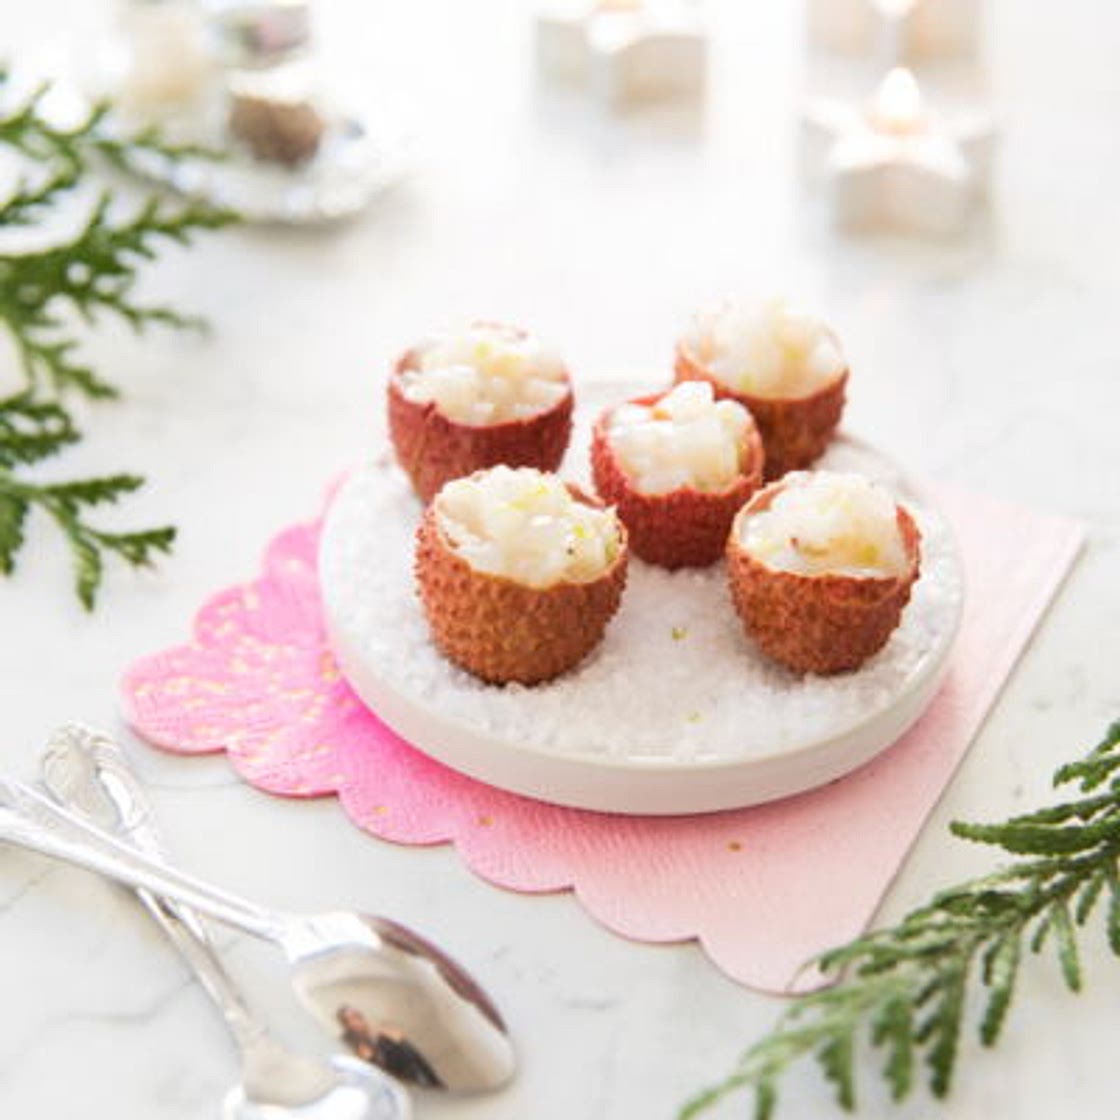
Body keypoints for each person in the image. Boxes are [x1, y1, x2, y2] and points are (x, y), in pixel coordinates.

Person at [337, 1005, 445, 1089]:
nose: (356, 1022)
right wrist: (370, 1058)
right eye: (349, 1020)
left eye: (357, 1017)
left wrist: (434, 1080)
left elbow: (414, 1055)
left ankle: (433, 1081)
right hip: (394, 1084)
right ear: (346, 1026)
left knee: (395, 1039)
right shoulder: (353, 1045)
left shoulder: (381, 1033)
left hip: (413, 1076)